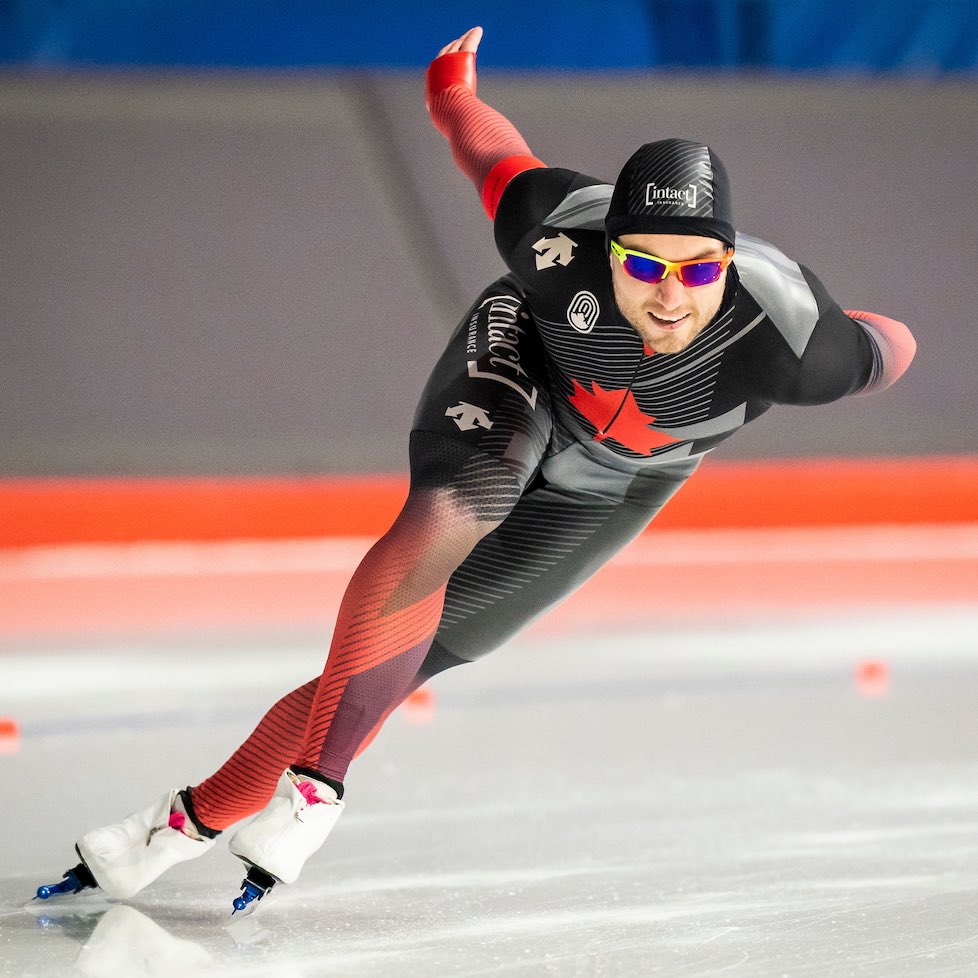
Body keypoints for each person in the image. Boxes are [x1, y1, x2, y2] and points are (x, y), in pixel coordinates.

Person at [38, 27, 915, 911]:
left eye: (699, 269)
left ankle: (170, 830)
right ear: (608, 249)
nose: (669, 295)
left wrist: (866, 330)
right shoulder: (553, 230)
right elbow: (493, 151)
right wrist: (451, 93)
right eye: (644, 263)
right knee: (463, 501)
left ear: (730, 262)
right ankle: (314, 794)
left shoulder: (799, 343)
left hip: (631, 475)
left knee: (409, 657)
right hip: (528, 368)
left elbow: (890, 348)